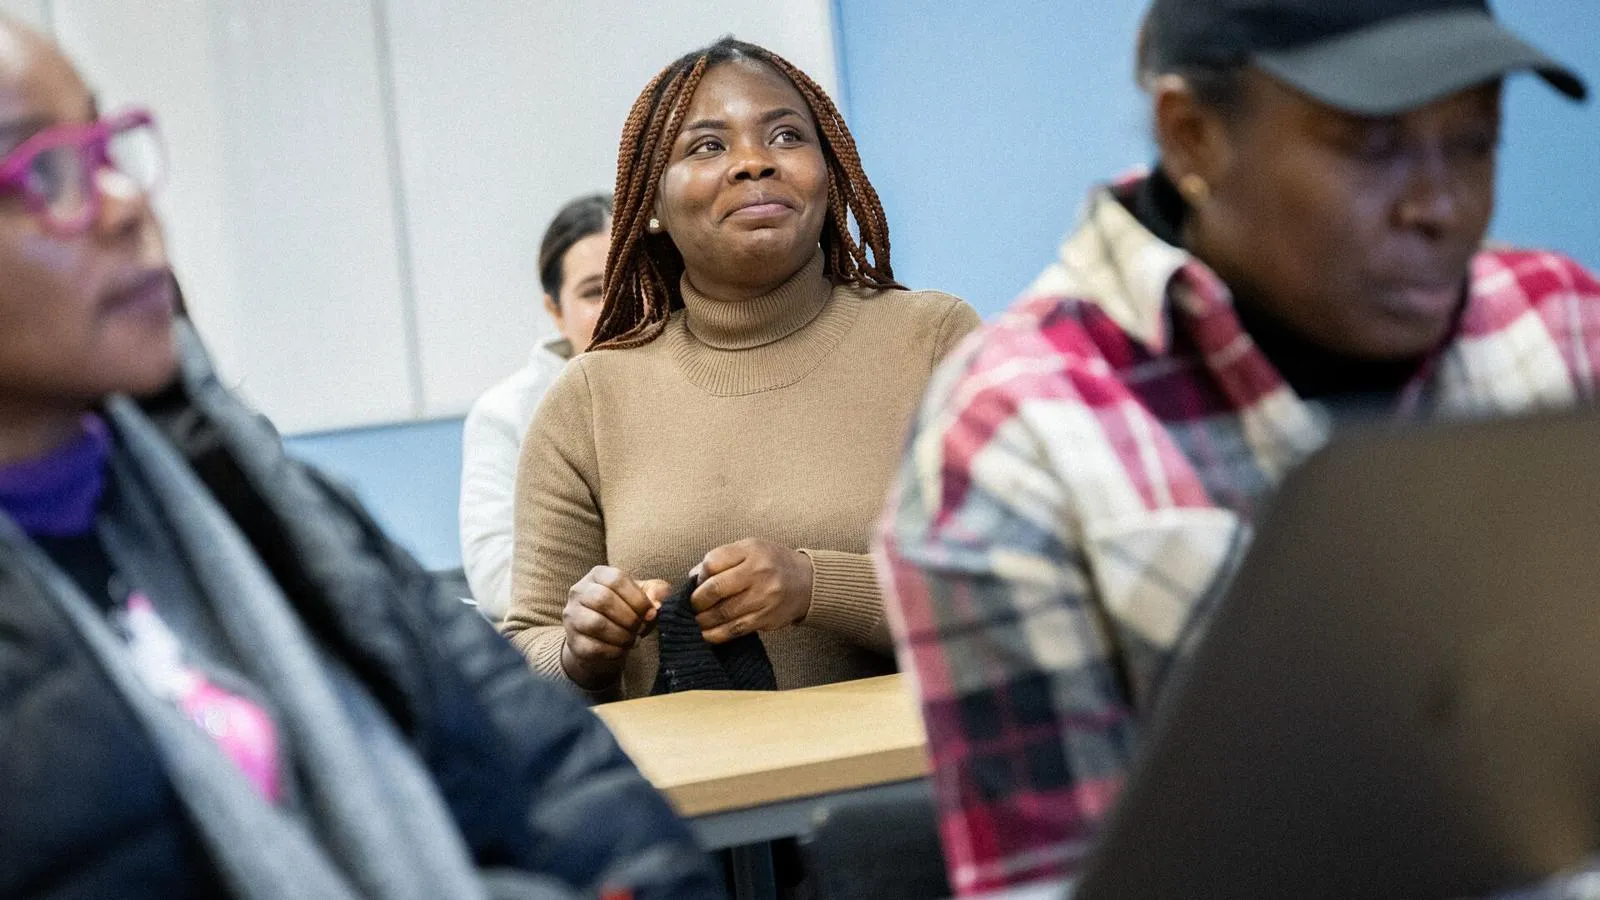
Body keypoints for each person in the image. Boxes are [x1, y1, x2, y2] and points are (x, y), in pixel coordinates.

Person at [875, 0, 1599, 894]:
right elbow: (1048, 882)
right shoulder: (1018, 431)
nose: (1441, 206)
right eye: (1373, 148)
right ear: (1191, 137)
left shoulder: (1562, 324)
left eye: (1475, 141)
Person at [0, 16, 721, 900]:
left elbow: (549, 776)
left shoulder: (254, 494)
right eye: (44, 171)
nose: (125, 205)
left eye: (109, 147)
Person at [499, 37, 981, 701]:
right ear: (653, 209)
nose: (753, 163)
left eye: (785, 136)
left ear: (829, 172)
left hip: (909, 788)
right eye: (707, 146)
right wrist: (581, 649)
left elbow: (1020, 588)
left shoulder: (934, 342)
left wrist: (818, 585)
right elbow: (527, 644)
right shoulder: (589, 398)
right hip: (684, 799)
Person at [460, 193, 610, 620]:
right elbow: (495, 576)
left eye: (634, 279)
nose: (619, 304)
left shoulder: (699, 384)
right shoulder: (504, 414)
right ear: (555, 310)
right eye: (594, 291)